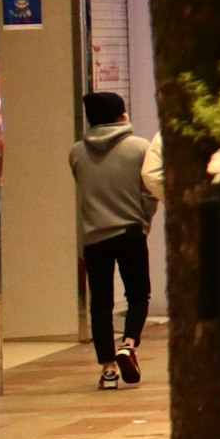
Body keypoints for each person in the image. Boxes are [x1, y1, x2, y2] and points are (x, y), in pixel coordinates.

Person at [71, 90, 164, 389]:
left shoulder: (76, 153)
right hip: (130, 232)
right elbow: (150, 190)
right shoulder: (139, 148)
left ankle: (108, 369)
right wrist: (144, 222)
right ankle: (128, 344)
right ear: (122, 115)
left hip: (94, 235)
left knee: (101, 303)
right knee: (138, 294)